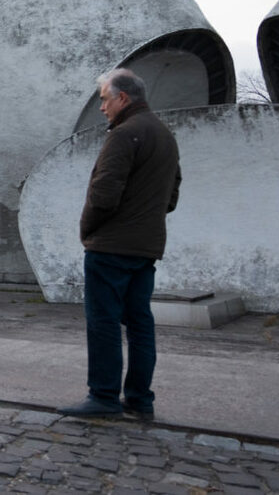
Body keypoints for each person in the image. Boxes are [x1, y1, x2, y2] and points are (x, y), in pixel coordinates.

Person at [58, 68, 181, 420]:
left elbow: (103, 195)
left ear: (122, 98)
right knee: (140, 322)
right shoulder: (164, 135)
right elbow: (171, 196)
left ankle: (104, 396)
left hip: (110, 247)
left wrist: (89, 230)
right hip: (146, 247)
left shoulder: (125, 134)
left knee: (104, 322)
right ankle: (140, 399)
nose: (102, 108)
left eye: (104, 100)